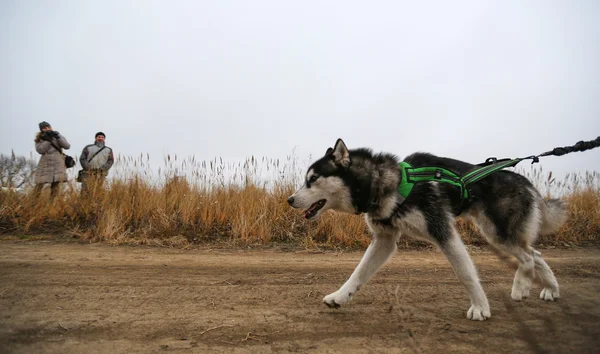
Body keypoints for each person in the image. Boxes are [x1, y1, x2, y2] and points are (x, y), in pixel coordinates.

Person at [33, 121, 71, 198]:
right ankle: (33, 204)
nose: (47, 129)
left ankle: (51, 205)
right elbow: (40, 150)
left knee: (55, 187)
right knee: (39, 185)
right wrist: (48, 140)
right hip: (45, 164)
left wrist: (57, 136)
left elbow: (67, 146)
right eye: (44, 128)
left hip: (58, 164)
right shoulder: (39, 139)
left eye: (48, 127)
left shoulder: (57, 136)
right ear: (41, 130)